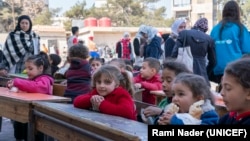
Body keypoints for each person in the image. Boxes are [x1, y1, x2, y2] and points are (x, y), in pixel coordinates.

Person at [6, 51, 52, 141]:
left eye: (30, 69)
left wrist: (18, 82)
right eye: (26, 68)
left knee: (24, 122)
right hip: (31, 110)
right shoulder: (34, 78)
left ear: (40, 68)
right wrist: (12, 85)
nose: (27, 71)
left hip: (41, 114)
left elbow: (37, 88)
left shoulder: (45, 79)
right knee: (19, 119)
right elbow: (27, 88)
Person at [210, 1, 250, 84]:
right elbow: (247, 51)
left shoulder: (215, 29)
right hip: (236, 69)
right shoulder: (240, 28)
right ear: (237, 13)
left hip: (218, 69)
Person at [171, 18, 216, 85]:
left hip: (184, 71)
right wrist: (206, 72)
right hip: (201, 73)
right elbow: (213, 62)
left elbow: (174, 54)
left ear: (195, 25)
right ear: (205, 28)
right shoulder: (209, 39)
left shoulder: (184, 33)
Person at [219, 58, 250, 124]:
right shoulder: (227, 118)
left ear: (249, 94)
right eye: (222, 86)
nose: (221, 93)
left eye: (228, 88)